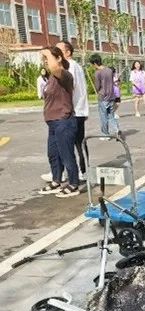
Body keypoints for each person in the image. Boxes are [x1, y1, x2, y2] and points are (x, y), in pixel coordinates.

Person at [38, 47, 79, 197]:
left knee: (66, 154)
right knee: (53, 154)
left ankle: (74, 184)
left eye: (48, 58)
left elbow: (55, 68)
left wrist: (46, 52)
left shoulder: (65, 75)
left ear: (59, 58)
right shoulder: (51, 78)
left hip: (64, 121)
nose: (45, 62)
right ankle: (56, 180)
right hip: (53, 123)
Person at [55, 41, 89, 181]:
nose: (55, 53)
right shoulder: (75, 66)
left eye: (58, 51)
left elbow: (70, 86)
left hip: (74, 111)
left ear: (68, 52)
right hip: (77, 110)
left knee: (73, 143)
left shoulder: (70, 66)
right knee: (76, 142)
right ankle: (79, 171)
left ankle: (79, 171)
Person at [89, 53, 120, 140]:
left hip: (103, 97)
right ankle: (116, 130)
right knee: (111, 115)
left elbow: (97, 86)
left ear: (95, 63)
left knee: (104, 116)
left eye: (92, 64)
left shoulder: (98, 73)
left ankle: (105, 134)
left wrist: (97, 91)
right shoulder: (109, 70)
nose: (93, 66)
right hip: (111, 96)